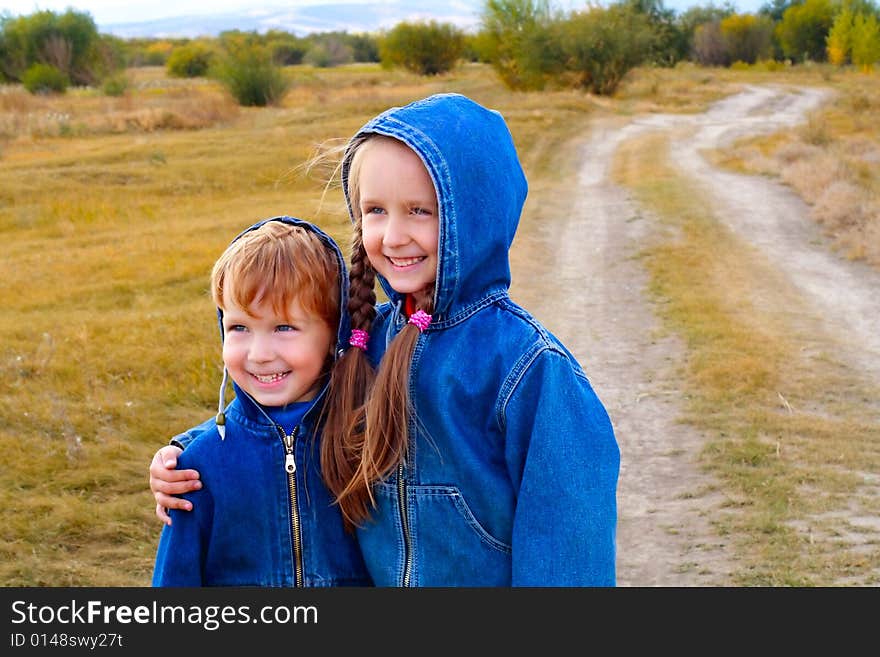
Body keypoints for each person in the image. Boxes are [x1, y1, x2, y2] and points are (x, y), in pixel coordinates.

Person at [151, 93, 620, 586]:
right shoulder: (360, 339)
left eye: (419, 210)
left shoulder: (527, 368)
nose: (393, 236)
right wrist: (184, 454)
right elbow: (285, 412)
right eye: (375, 210)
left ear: (475, 214)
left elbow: (571, 546)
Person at [151, 216, 370, 587]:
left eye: (284, 328)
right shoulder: (195, 469)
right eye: (239, 328)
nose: (260, 353)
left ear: (335, 333)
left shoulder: (366, 438)